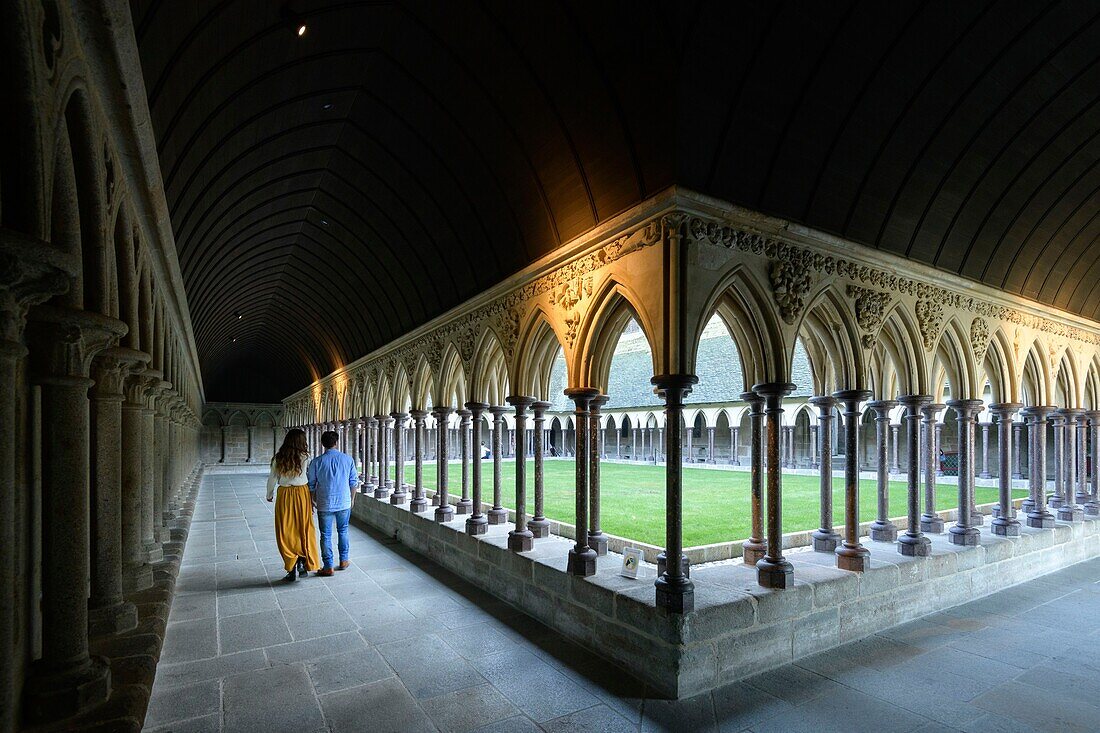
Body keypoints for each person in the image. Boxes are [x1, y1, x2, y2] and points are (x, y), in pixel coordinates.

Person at [266, 428, 321, 582]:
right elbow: (308, 478)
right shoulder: (305, 457)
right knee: (303, 528)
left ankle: (291, 565)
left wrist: (269, 494)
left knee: (286, 530)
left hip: (285, 494)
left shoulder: (278, 458)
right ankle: (303, 559)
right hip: (301, 493)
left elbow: (272, 477)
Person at [307, 430, 359, 576]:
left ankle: (328, 566)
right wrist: (352, 499)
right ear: (336, 443)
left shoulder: (316, 462)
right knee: (343, 530)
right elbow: (354, 482)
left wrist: (311, 500)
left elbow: (311, 484)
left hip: (324, 502)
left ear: (323, 444)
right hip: (343, 502)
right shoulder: (348, 460)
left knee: (326, 534)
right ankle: (344, 560)